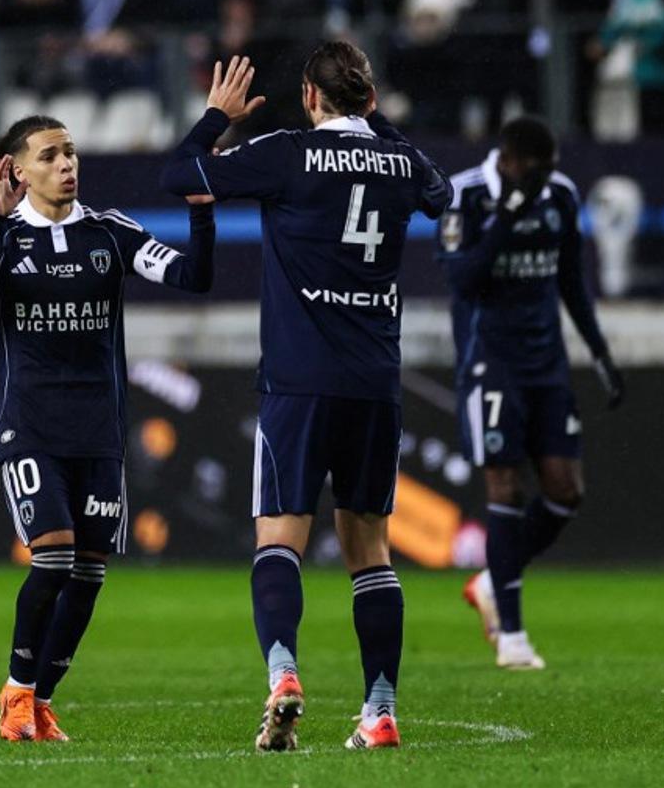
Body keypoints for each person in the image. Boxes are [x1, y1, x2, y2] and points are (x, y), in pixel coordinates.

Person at [161, 45, 452, 751]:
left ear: (309, 98)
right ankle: (379, 710)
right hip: (374, 383)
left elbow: (179, 175)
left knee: (280, 538)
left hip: (298, 380)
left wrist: (214, 119)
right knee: (370, 550)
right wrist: (379, 130)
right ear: (368, 99)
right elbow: (442, 197)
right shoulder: (401, 160)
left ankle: (284, 674)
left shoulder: (286, 152)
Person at [0, 114, 215, 742]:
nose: (66, 164)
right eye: (49, 155)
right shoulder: (3, 237)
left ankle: (41, 699)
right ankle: (15, 690)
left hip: (99, 428)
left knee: (89, 573)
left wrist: (201, 211)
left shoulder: (110, 232)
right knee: (54, 557)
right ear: (17, 171)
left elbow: (193, 277)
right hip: (29, 423)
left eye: (70, 152)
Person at [439, 117, 625, 670]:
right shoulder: (465, 195)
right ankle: (513, 637)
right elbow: (463, 280)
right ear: (511, 159)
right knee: (505, 484)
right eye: (537, 170)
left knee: (566, 491)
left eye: (551, 170)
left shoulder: (561, 197)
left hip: (546, 365)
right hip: (489, 362)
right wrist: (507, 218)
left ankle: (495, 580)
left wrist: (600, 352)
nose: (545, 179)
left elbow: (571, 281)